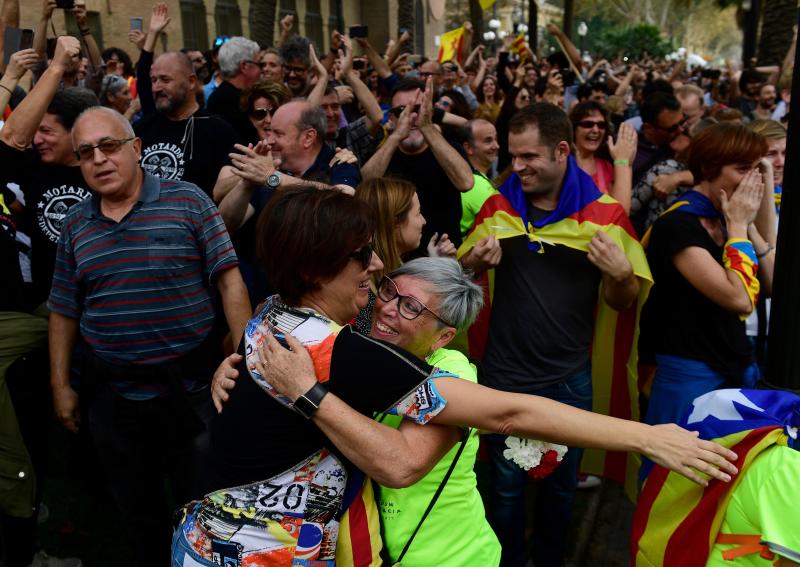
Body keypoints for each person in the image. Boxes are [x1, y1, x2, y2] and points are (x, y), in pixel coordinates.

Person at [197, 187, 737, 567]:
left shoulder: (274, 314)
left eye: (412, 307)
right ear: (313, 269)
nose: (378, 265)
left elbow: (504, 414)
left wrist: (284, 386)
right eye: (363, 255)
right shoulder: (342, 349)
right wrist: (647, 437)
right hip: (258, 552)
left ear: (445, 337)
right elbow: (507, 414)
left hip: (216, 536)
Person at [48, 106, 250, 566]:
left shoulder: (189, 201)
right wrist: (60, 385)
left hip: (193, 389)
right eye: (86, 152)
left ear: (136, 148)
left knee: (203, 505)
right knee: (137, 512)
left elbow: (230, 281)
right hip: (112, 396)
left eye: (109, 146)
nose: (99, 159)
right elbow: (63, 309)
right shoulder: (75, 223)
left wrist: (244, 362)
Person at [458, 102, 649, 567]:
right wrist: (472, 264)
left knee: (561, 490)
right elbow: (459, 277)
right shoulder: (499, 208)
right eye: (513, 156)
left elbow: (622, 302)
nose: (517, 166)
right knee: (504, 490)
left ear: (562, 151)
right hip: (504, 377)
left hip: (569, 381)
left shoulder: (603, 217)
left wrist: (622, 275)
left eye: (529, 156)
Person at [640, 123, 775, 427]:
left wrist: (760, 187)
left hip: (736, 362)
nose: (752, 180)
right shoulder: (677, 224)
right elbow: (739, 299)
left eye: (755, 170)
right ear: (709, 167)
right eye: (743, 169)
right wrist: (738, 228)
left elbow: (772, 284)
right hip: (689, 372)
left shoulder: (726, 215)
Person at [133, 4, 241, 200]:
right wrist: (152, 35)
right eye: (154, 80)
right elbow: (142, 80)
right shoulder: (145, 126)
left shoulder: (218, 130)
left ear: (191, 81)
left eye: (165, 80)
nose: (157, 87)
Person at [362, 78, 474, 254]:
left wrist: (426, 126)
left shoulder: (450, 149)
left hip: (444, 257)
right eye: (402, 111)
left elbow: (466, 182)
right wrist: (396, 136)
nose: (413, 117)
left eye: (418, 109)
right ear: (391, 118)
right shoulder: (380, 155)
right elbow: (363, 189)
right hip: (396, 260)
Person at [352, 177, 456, 334]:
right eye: (418, 213)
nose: (423, 221)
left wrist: (434, 269)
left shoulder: (392, 273)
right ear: (395, 223)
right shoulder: (362, 296)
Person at [570, 101, 638, 212]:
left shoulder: (607, 166)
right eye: (588, 124)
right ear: (574, 129)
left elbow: (620, 212)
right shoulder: (562, 163)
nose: (596, 130)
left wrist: (625, 163)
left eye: (601, 125)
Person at [206, 36, 263, 141]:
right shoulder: (227, 101)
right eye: (260, 64)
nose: (262, 70)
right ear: (244, 66)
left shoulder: (225, 96)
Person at [459, 119, 500, 236]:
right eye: (488, 141)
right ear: (468, 148)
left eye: (496, 139)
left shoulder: (463, 177)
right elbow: (504, 228)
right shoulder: (476, 184)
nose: (496, 146)